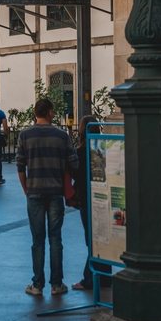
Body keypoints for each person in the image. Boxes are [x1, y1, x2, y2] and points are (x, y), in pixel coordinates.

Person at [17, 98, 79, 296]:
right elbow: (74, 163)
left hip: (34, 192)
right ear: (50, 112)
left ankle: (37, 285)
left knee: (37, 240)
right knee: (55, 239)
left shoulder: (25, 135)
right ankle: (56, 284)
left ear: (35, 113)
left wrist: (27, 189)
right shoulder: (62, 136)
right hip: (55, 193)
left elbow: (20, 165)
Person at [71, 114, 99, 290]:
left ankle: (88, 279)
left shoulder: (79, 153)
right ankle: (103, 277)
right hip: (102, 198)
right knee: (102, 237)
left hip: (86, 199)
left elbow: (77, 176)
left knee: (91, 240)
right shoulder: (101, 151)